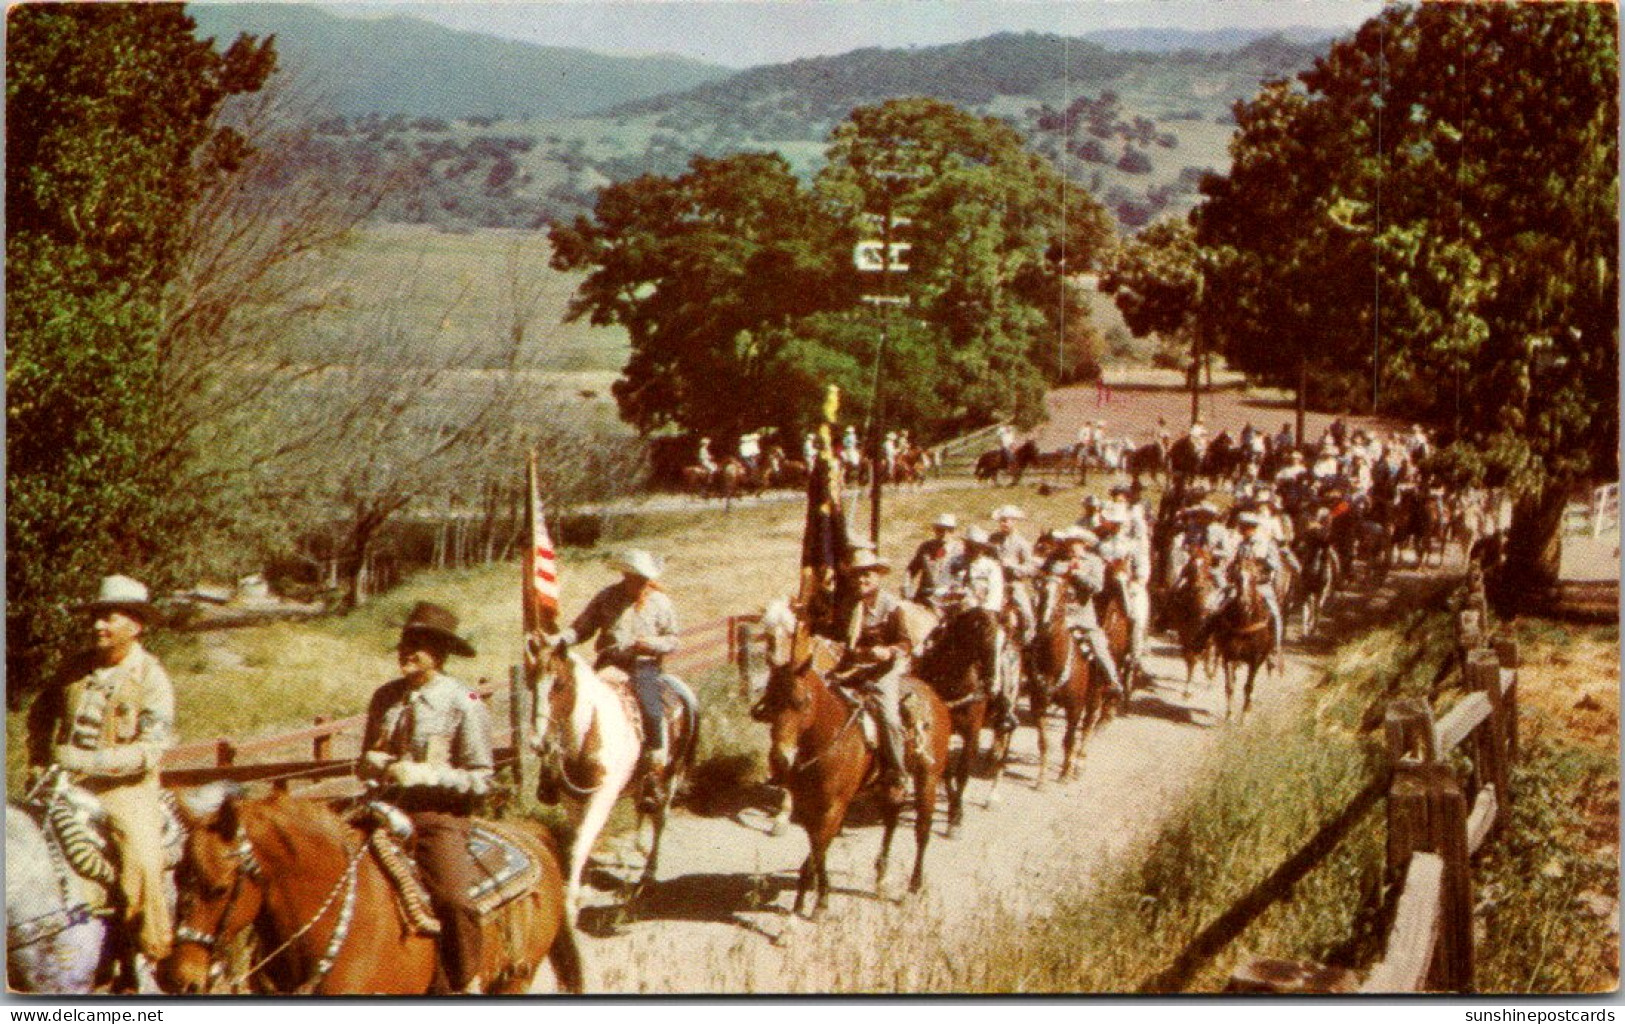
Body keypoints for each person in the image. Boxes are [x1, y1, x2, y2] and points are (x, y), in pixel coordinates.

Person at [27, 575, 175, 991]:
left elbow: (150, 750)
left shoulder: (151, 678)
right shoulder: (73, 668)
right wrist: (39, 760)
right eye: (95, 617)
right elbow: (40, 714)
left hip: (125, 790)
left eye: (109, 617)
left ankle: (148, 953)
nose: (97, 626)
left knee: (143, 856)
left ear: (136, 625)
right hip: (62, 783)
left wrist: (88, 761)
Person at [358, 602, 492, 994]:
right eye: (404, 642)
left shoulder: (463, 700)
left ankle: (466, 982)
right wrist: (372, 764)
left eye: (418, 645)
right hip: (381, 807)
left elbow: (482, 778)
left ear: (440, 654)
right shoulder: (384, 697)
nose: (407, 652)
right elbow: (364, 761)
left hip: (437, 815)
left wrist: (428, 774)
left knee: (452, 899)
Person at [562, 550, 699, 771]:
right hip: (609, 663)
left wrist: (651, 644)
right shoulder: (606, 597)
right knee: (578, 704)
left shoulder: (660, 602)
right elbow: (582, 628)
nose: (640, 582)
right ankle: (568, 764)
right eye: (635, 577)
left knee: (650, 707)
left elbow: (673, 639)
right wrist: (559, 640)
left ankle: (654, 761)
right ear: (625, 575)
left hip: (643, 665)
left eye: (644, 578)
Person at [832, 551, 912, 791]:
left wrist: (888, 651)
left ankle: (898, 773)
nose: (861, 580)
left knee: (889, 718)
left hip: (882, 671)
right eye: (856, 575)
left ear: (877, 576)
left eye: (866, 575)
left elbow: (905, 642)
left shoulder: (891, 606)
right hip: (852, 667)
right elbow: (837, 635)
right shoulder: (848, 605)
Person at [1046, 528, 1123, 698]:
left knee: (1098, 645)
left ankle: (1112, 680)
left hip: (1081, 615)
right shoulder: (1056, 559)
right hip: (1057, 614)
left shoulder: (1094, 562)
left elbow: (1097, 586)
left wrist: (1078, 574)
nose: (1071, 546)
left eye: (1076, 542)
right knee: (1037, 641)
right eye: (1069, 542)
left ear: (1084, 544)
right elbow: (1047, 573)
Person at [1225, 512, 1286, 660]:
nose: (1241, 530)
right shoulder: (1241, 544)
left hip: (1260, 584)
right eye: (1241, 527)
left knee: (1274, 612)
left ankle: (1275, 648)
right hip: (1240, 584)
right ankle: (1212, 639)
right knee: (1220, 604)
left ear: (1252, 528)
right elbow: (1234, 563)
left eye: (1244, 527)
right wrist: (1232, 570)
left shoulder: (1266, 543)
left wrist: (1261, 564)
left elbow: (1275, 564)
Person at [1097, 507, 1151, 669]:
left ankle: (1136, 654)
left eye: (1117, 523)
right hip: (1105, 585)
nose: (1114, 526)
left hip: (1128, 586)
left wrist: (1138, 579)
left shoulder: (1132, 545)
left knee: (1136, 618)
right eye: (1112, 522)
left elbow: (1142, 566)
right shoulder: (1101, 545)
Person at [989, 505, 1037, 644]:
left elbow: (1030, 568)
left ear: (1014, 521)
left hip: (1013, 583)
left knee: (1026, 612)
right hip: (994, 582)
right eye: (1001, 520)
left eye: (1006, 520)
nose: (1003, 523)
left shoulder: (1022, 543)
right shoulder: (993, 539)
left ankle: (1028, 640)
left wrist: (1014, 566)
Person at [906, 513, 964, 608]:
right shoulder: (926, 548)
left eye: (949, 530)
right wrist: (906, 587)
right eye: (940, 530)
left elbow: (961, 577)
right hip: (925, 595)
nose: (944, 534)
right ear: (935, 530)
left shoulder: (959, 551)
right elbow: (911, 570)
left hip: (947, 597)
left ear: (953, 531)